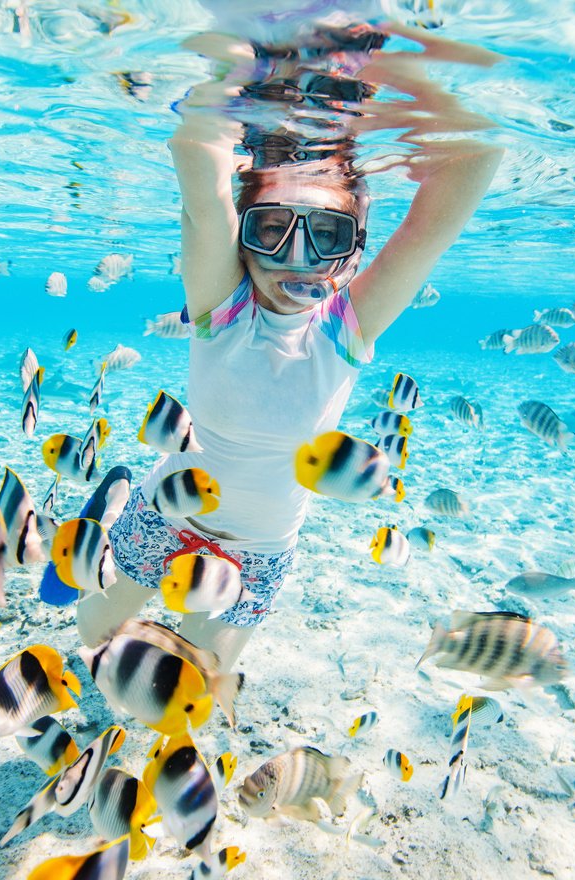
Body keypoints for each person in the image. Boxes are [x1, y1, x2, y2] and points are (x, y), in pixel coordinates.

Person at [76, 22, 503, 672]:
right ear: (243, 237)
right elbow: (201, 186)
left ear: (355, 249)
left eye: (327, 235)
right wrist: (227, 69)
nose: (296, 258)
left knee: (193, 686)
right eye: (272, 229)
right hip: (166, 509)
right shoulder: (224, 308)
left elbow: (456, 191)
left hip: (258, 552)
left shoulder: (345, 329)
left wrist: (408, 70)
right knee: (95, 635)